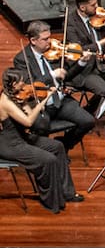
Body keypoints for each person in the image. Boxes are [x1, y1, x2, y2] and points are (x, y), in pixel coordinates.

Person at [0, 70, 81, 213]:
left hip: (22, 138)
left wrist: (32, 102)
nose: (24, 84)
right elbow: (29, 122)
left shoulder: (17, 96)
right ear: (12, 84)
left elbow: (30, 113)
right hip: (10, 143)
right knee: (48, 160)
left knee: (57, 146)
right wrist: (45, 98)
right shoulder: (5, 102)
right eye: (20, 82)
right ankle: (51, 201)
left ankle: (67, 192)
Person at [12, 22, 95, 152]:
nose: (49, 42)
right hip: (40, 105)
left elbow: (66, 76)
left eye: (49, 37)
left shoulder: (52, 52)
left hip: (60, 101)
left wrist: (81, 62)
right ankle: (44, 156)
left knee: (88, 121)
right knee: (41, 126)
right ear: (33, 40)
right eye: (45, 39)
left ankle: (64, 146)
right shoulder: (22, 59)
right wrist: (51, 75)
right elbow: (28, 87)